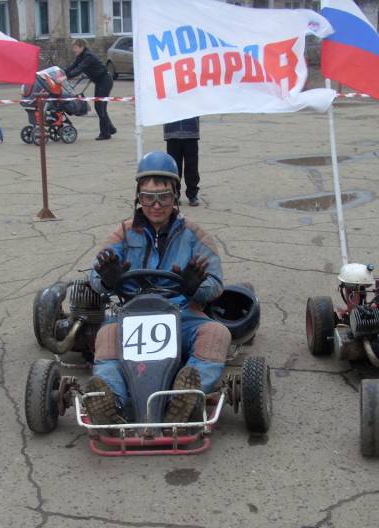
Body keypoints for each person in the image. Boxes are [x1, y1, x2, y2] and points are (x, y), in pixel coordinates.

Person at [84, 151, 231, 425]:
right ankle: (111, 401)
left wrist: (194, 287)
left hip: (181, 313)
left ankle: (184, 397)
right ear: (138, 198)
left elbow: (216, 284)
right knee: (107, 335)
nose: (155, 205)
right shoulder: (123, 233)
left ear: (175, 196)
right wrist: (107, 280)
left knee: (216, 333)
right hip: (130, 313)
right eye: (148, 197)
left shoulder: (195, 235)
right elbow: (96, 273)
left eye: (163, 197)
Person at [65, 39, 116, 141]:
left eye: (75, 47)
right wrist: (62, 72)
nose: (73, 50)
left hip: (105, 81)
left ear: (81, 47)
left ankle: (105, 133)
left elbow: (79, 69)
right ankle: (110, 128)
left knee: (99, 106)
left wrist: (67, 76)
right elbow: (73, 66)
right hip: (100, 82)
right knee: (101, 107)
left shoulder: (88, 56)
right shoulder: (81, 56)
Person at [164, 117, 201, 206]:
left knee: (192, 166)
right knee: (174, 167)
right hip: (172, 133)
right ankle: (174, 193)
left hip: (191, 132)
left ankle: (192, 194)